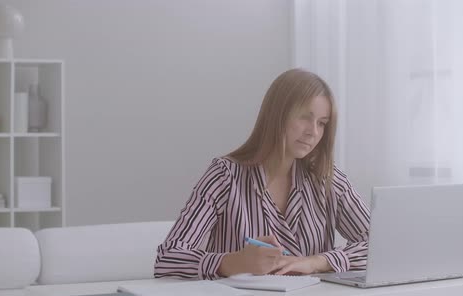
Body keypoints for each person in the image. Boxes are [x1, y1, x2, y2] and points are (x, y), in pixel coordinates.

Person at [154, 68, 370, 280]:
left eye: (322, 123)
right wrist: (234, 262)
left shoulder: (328, 180)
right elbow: (168, 258)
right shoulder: (224, 176)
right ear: (277, 115)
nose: (313, 132)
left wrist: (316, 262)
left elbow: (381, 245)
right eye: (305, 117)